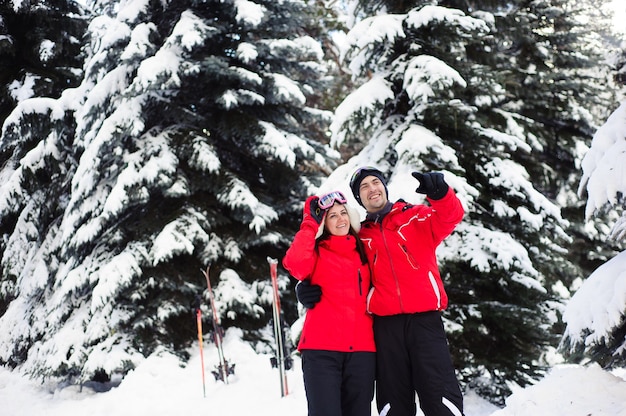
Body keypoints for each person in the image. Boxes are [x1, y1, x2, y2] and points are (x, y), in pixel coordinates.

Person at [297, 167, 466, 416]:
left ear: (384, 187)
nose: (371, 189)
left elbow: (450, 216)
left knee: (439, 396)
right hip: (384, 328)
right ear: (359, 198)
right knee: (393, 402)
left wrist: (440, 194)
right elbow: (333, 265)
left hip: (425, 323)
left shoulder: (415, 217)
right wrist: (305, 286)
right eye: (363, 187)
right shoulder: (359, 236)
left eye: (375, 182)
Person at [282, 191, 376, 416]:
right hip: (322, 351)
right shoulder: (315, 252)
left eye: (343, 213)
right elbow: (294, 264)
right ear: (324, 223)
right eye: (332, 216)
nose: (340, 219)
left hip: (362, 352)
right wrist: (309, 224)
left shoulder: (366, 250)